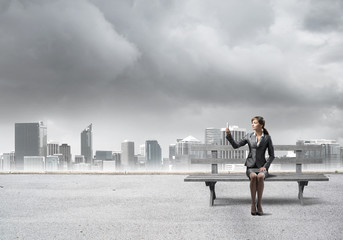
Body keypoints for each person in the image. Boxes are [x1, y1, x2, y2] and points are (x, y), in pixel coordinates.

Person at [225, 116, 275, 216]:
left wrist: (265, 166)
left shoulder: (267, 138)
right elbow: (236, 145)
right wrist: (229, 135)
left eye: (255, 123)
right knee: (253, 177)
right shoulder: (249, 136)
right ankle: (253, 204)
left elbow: (272, 155)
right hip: (250, 166)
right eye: (252, 122)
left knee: (260, 176)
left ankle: (259, 205)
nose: (252, 124)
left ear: (261, 125)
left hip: (262, 167)